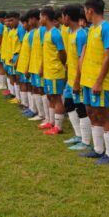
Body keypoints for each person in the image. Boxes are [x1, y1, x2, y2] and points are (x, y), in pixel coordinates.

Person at [77, 0, 109, 165]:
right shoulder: (92, 29)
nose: (85, 14)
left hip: (97, 81)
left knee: (103, 114)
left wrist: (99, 81)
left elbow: (108, 56)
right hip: (87, 80)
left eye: (85, 10)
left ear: (90, 11)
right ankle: (98, 149)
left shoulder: (106, 28)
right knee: (92, 113)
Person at [63, 4, 90, 150]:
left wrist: (78, 81)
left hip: (78, 79)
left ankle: (85, 141)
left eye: (63, 16)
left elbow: (82, 59)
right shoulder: (70, 32)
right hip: (71, 78)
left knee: (81, 108)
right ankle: (78, 135)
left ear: (67, 16)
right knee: (68, 105)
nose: (62, 19)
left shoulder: (81, 34)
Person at [39, 7, 67, 135]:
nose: (40, 20)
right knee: (51, 96)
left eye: (40, 17)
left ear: (45, 17)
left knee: (57, 98)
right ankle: (51, 122)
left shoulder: (55, 33)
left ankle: (58, 127)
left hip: (55, 71)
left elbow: (62, 52)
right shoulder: (47, 32)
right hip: (49, 71)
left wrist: (59, 64)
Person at [26, 9, 48, 122]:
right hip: (34, 66)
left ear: (35, 19)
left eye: (30, 19)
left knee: (43, 90)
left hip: (40, 67)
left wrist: (42, 66)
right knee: (37, 89)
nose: (29, 21)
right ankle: (40, 113)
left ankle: (46, 117)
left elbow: (46, 49)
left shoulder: (43, 30)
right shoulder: (35, 32)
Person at [16, 14, 35, 117]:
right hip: (24, 64)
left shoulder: (32, 34)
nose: (22, 25)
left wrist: (28, 66)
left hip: (29, 65)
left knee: (31, 87)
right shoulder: (27, 34)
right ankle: (29, 106)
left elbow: (32, 51)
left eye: (23, 23)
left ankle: (33, 109)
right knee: (26, 85)